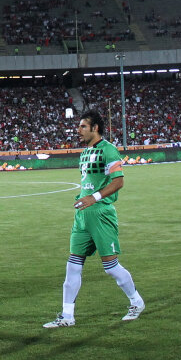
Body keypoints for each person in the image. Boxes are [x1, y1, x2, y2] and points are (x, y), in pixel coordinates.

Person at [44, 110, 144, 328]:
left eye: (83, 126)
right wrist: (84, 198)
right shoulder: (85, 152)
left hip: (101, 214)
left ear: (95, 128)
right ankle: (67, 316)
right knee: (73, 265)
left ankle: (136, 302)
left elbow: (118, 181)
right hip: (82, 215)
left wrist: (94, 197)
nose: (78, 130)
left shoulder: (108, 150)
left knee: (110, 267)